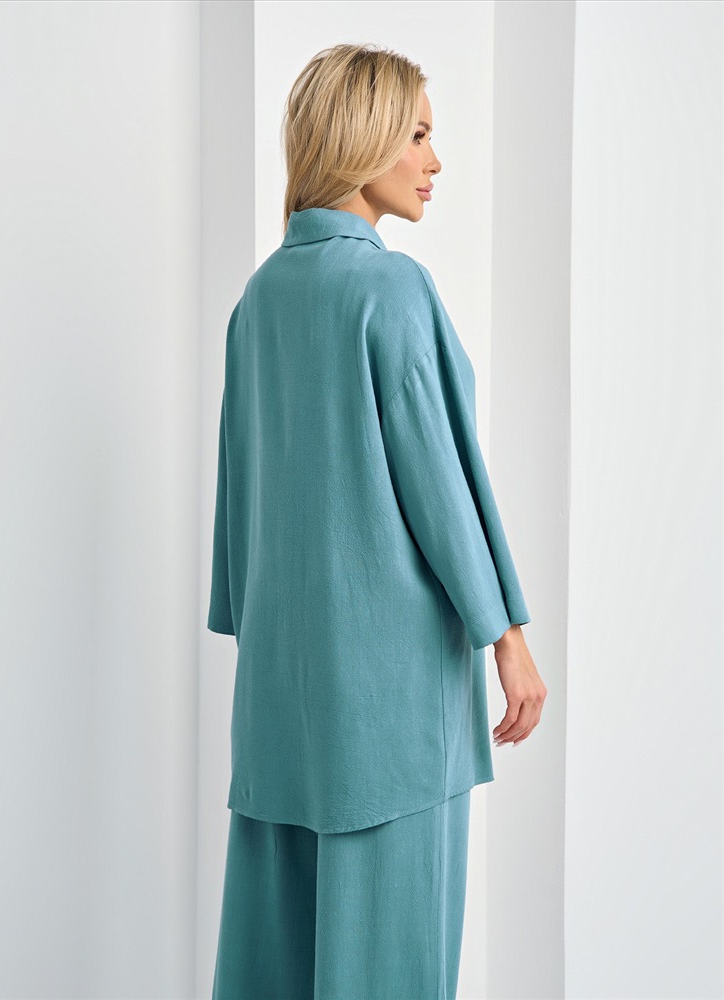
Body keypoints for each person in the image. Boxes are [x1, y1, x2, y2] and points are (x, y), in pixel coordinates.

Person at [207, 42, 547, 1000]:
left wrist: (250, 619)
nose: (435, 161)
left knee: (275, 969)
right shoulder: (391, 288)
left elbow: (240, 497)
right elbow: (443, 483)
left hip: (280, 699)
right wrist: (507, 637)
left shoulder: (259, 297)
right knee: (393, 967)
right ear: (362, 141)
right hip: (390, 707)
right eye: (419, 135)